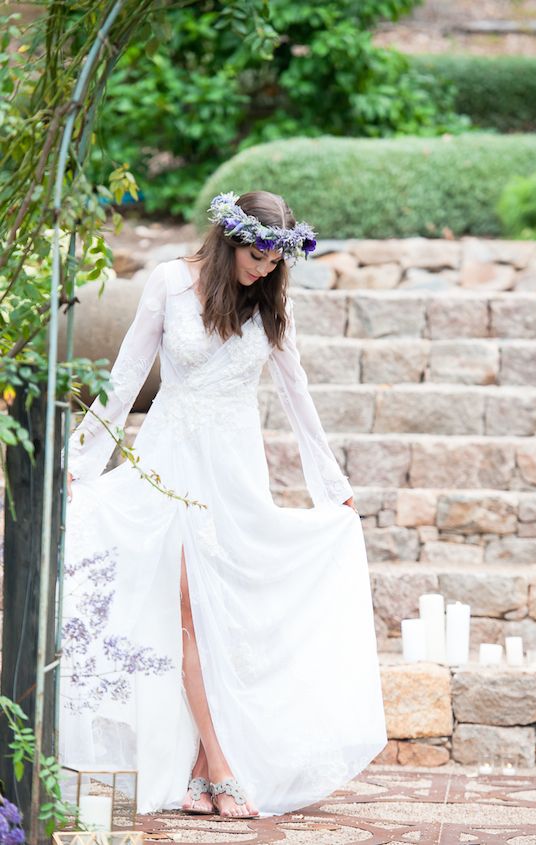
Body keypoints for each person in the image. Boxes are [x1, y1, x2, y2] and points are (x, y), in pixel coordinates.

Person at [61, 190, 387, 820]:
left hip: (235, 476)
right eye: (258, 255)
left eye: (275, 260)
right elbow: (125, 377)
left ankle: (196, 773)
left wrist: (330, 483)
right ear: (230, 239)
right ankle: (221, 764)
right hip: (170, 467)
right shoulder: (168, 284)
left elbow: (298, 396)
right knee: (185, 605)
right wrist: (81, 461)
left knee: (223, 615)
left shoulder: (269, 307)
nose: (265, 269)